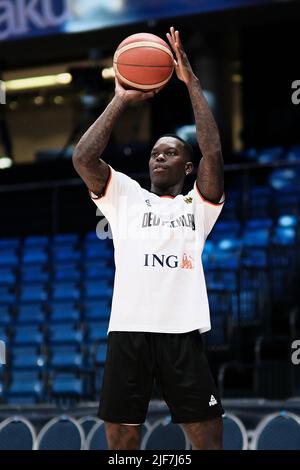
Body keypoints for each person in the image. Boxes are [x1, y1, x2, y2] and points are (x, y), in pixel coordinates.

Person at [73, 27, 224, 450]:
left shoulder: (199, 205)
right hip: (128, 330)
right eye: (155, 152)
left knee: (208, 439)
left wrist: (191, 83)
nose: (159, 156)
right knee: (121, 439)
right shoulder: (125, 196)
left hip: (181, 332)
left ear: (188, 168)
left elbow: (212, 150)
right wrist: (120, 98)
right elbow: (83, 158)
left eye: (171, 152)